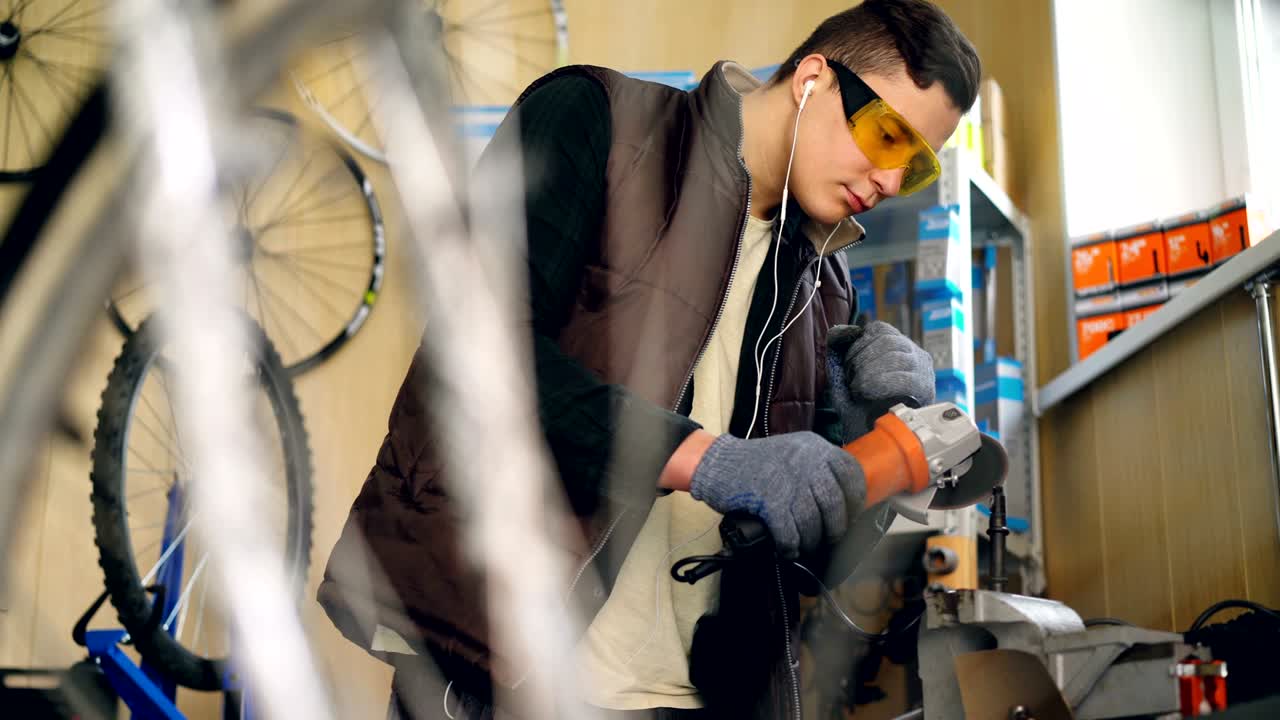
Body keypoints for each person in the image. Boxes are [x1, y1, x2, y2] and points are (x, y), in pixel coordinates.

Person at [317, 1, 981, 717]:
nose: (887, 180)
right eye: (887, 134)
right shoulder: (597, 122)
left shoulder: (823, 283)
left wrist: (864, 451)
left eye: (913, 167)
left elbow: (805, 554)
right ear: (813, 78)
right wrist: (709, 460)